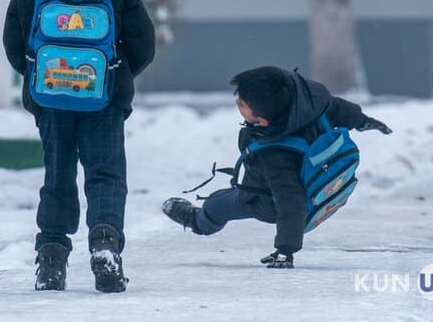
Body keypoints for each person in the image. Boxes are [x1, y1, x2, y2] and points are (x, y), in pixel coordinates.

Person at [3, 0, 155, 292]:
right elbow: (144, 43)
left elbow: (13, 43)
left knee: (58, 175)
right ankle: (105, 243)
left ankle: (51, 258)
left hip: (51, 100)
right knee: (105, 173)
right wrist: (114, 75)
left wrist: (41, 76)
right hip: (104, 101)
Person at [162, 66, 392, 269]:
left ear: (263, 121)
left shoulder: (275, 153)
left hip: (264, 200)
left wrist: (286, 250)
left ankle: (198, 221)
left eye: (242, 104)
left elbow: (289, 199)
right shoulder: (310, 108)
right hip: (307, 182)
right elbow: (337, 108)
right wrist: (363, 121)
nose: (237, 104)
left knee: (217, 203)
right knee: (229, 196)